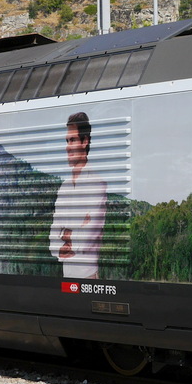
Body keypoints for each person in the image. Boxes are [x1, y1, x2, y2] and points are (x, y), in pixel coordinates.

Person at [49, 112, 106, 279]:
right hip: (67, 277)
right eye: (67, 141)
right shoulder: (64, 188)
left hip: (88, 277)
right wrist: (76, 231)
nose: (68, 147)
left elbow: (88, 238)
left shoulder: (97, 184)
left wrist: (66, 234)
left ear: (85, 141)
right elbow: (53, 239)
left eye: (73, 140)